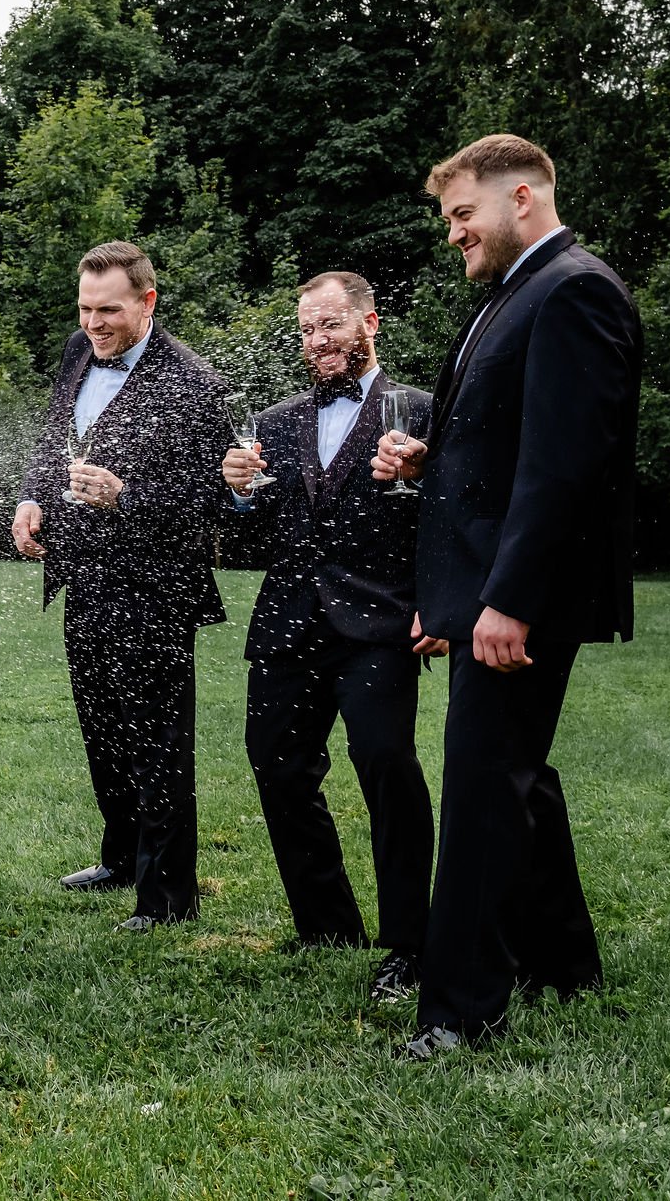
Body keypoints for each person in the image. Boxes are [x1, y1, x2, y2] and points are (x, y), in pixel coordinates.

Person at [374, 135, 642, 1057]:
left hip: (519, 595)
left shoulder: (574, 289)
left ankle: (459, 1010)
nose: (453, 234)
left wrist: (509, 600)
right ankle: (566, 962)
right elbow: (494, 446)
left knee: (485, 786)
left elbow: (565, 467)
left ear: (520, 197)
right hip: (486, 584)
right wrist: (425, 457)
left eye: (462, 214)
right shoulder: (512, 294)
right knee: (516, 776)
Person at [220, 272, 436, 1001]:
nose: (319, 341)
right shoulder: (275, 421)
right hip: (286, 623)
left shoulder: (419, 412)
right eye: (309, 329)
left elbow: (451, 520)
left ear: (370, 321)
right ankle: (326, 924)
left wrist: (435, 605)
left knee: (386, 769)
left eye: (333, 324)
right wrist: (239, 490)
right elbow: (247, 526)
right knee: (278, 769)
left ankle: (409, 944)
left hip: (378, 624)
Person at [12, 240, 227, 931]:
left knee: (158, 740)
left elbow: (212, 502)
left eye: (108, 310)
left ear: (147, 302)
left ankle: (168, 896)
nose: (94, 323)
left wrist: (125, 495)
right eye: (84, 308)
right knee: (103, 728)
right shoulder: (77, 353)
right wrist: (30, 498)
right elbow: (53, 441)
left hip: (157, 588)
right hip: (85, 578)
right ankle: (120, 855)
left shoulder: (194, 383)